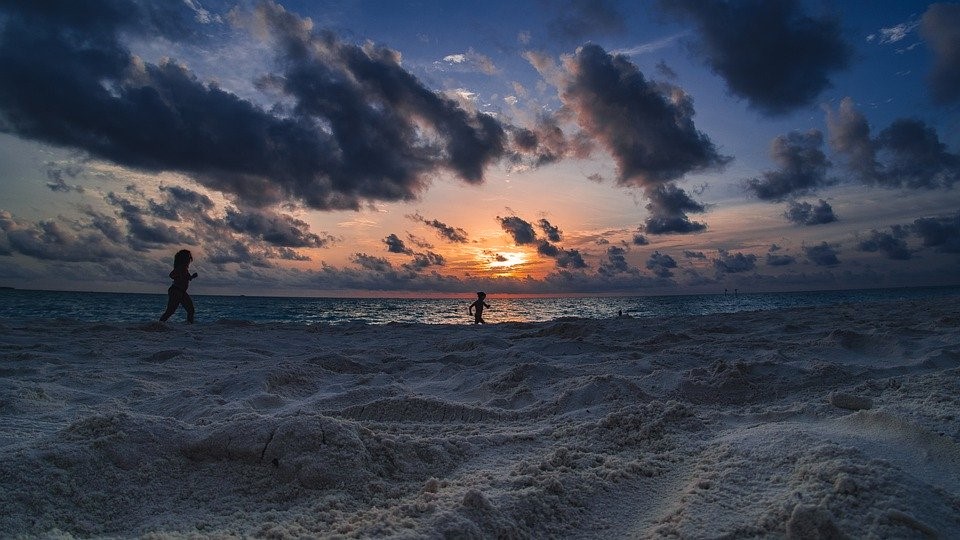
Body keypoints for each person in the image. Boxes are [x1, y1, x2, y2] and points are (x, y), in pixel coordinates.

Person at [159, 249, 198, 323]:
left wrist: (192, 276)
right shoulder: (181, 267)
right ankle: (158, 325)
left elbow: (187, 278)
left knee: (191, 310)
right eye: (188, 257)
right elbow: (171, 275)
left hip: (182, 292)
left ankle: (190, 328)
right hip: (176, 291)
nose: (190, 258)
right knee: (170, 311)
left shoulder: (185, 268)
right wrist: (179, 276)